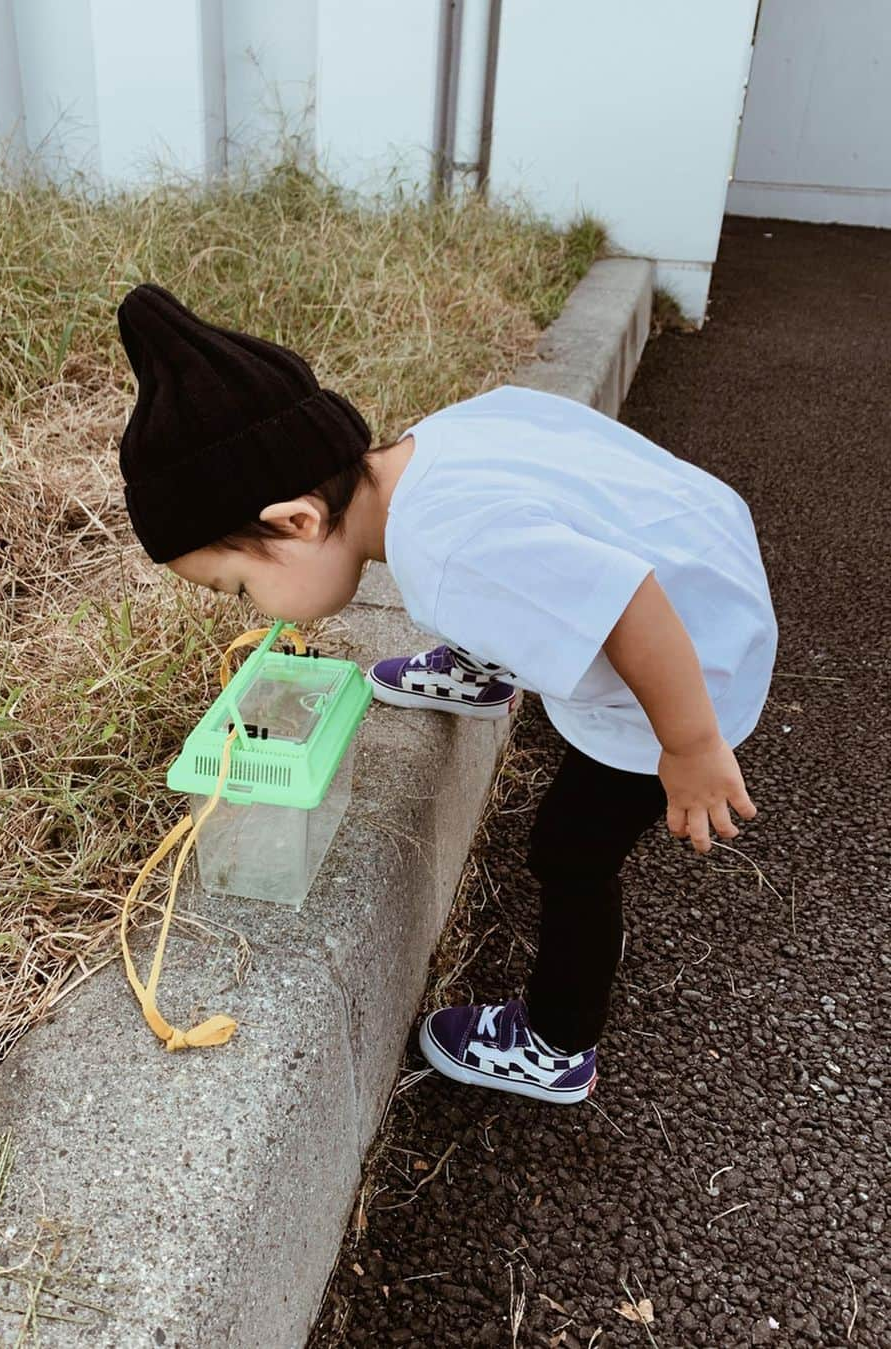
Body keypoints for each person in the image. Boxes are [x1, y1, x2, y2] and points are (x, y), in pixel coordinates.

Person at [115, 282, 777, 1104]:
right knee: (503, 591)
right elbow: (546, 520)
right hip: (702, 547)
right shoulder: (432, 448)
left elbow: (630, 603)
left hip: (689, 661)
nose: (249, 610)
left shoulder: (449, 550)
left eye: (240, 589)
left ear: (294, 523)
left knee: (570, 851)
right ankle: (488, 664)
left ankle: (557, 1042)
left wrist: (689, 746)